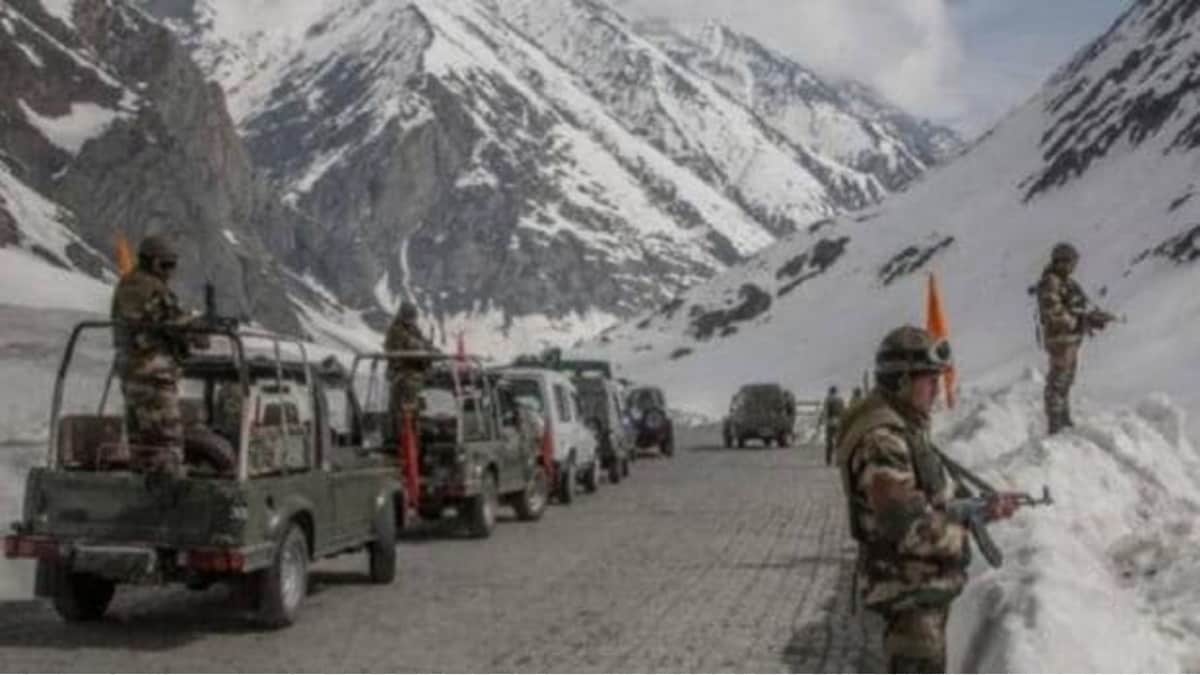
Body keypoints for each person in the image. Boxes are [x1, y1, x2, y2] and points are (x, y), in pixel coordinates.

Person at [836, 326, 1018, 672]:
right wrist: (963, 530)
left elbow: (923, 502)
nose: (937, 389)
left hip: (916, 592)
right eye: (928, 379)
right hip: (905, 596)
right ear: (901, 382)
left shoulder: (902, 427)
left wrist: (976, 510)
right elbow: (904, 526)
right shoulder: (883, 440)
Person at [110, 234, 201, 476]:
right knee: (167, 442)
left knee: (142, 443)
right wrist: (197, 328)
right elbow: (176, 323)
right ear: (152, 262)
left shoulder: (128, 284)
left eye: (173, 265)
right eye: (166, 265)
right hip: (153, 376)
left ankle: (142, 492)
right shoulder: (150, 288)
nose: (170, 272)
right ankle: (171, 503)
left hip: (132, 375)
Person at [1036, 242, 1114, 434]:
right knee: (1058, 381)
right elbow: (1054, 313)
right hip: (1060, 339)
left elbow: (1080, 307)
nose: (1073, 267)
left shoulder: (1068, 283)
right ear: (1061, 261)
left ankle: (1064, 419)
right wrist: (1079, 322)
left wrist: (1093, 318)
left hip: (1070, 339)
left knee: (1067, 380)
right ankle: (1056, 424)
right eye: (1071, 262)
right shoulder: (1051, 282)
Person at [384, 301, 437, 422]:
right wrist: (426, 348)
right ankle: (404, 427)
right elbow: (412, 344)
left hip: (414, 371)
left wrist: (432, 350)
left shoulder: (413, 329)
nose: (412, 319)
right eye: (409, 316)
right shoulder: (396, 330)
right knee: (404, 403)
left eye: (413, 316)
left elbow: (422, 342)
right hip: (401, 372)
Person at [819, 386, 846, 465]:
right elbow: (843, 411)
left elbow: (826, 412)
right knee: (839, 441)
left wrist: (822, 420)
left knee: (829, 441)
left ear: (830, 391)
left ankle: (828, 460)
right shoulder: (840, 400)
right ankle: (839, 459)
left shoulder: (828, 399)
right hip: (839, 421)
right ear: (836, 391)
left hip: (830, 422)